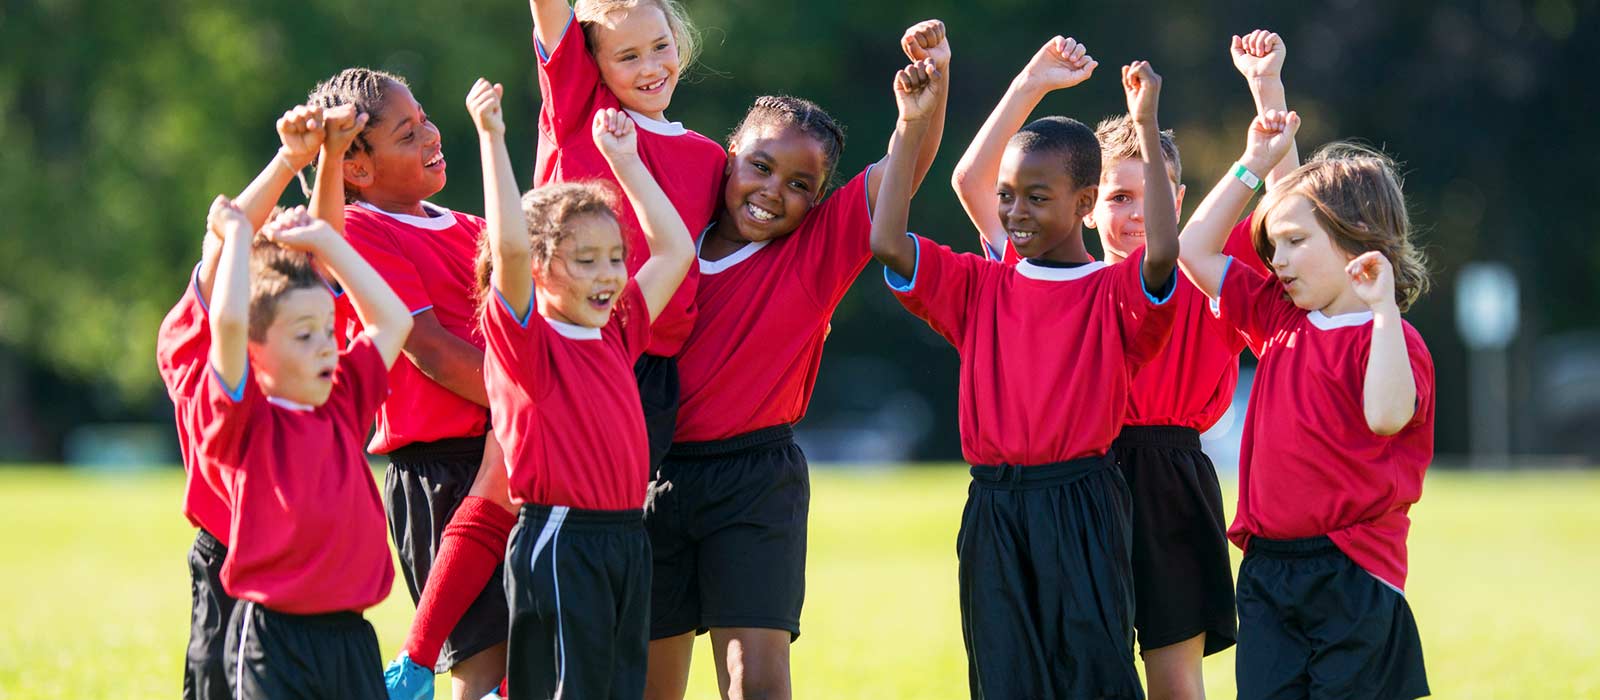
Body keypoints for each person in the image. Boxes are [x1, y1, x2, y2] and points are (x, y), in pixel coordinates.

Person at [947, 30, 1299, 699]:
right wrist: (1031, 83)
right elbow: (975, 182)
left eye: (1154, 194)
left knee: (1172, 681)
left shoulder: (1202, 276)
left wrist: (1266, 89)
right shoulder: (1043, 277)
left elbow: (1287, 209)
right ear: (1083, 200)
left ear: (1180, 195)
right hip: (1072, 485)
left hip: (1166, 477)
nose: (1136, 215)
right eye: (1118, 197)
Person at [646, 21, 950, 700]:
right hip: (655, 474)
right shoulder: (665, 237)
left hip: (756, 482)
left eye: (800, 183)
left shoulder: (813, 255)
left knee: (756, 683)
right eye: (761, 166)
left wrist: (922, 106)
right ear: (729, 155)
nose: (773, 190)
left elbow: (904, 175)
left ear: (817, 199)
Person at [871, 55, 1181, 699]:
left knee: (1093, 676)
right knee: (1005, 680)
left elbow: (1162, 251)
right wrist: (907, 126)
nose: (1015, 212)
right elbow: (887, 241)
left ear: (1085, 203)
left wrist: (1145, 125)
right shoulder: (980, 285)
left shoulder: (1113, 293)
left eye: (1037, 198)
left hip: (1083, 502)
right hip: (994, 508)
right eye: (1007, 196)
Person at [1175, 109, 1434, 699]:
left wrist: (1385, 311)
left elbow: (1387, 416)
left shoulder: (1390, 336)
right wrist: (1253, 163)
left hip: (1354, 571)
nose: (1277, 260)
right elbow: (1191, 248)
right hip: (1268, 570)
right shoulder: (1277, 316)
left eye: (1295, 242)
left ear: (1356, 239)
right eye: (1273, 244)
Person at [468, 75, 694, 697]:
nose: (609, 275)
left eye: (615, 257)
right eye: (586, 260)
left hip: (626, 537)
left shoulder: (618, 331)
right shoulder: (528, 341)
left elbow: (674, 250)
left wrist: (625, 163)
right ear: (540, 269)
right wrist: (492, 137)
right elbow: (510, 248)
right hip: (562, 537)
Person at [301, 67, 514, 700]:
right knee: (481, 660)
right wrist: (529, 401)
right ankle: (410, 669)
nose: (430, 133)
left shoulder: (472, 226)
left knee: (525, 658)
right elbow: (429, 350)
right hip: (440, 470)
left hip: (506, 455)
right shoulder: (363, 230)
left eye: (424, 118)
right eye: (407, 132)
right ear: (358, 170)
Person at [199, 203, 412, 699]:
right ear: (255, 352)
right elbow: (228, 324)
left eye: (326, 331)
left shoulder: (342, 401)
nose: (324, 346)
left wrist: (326, 243)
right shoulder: (244, 420)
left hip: (351, 639)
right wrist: (235, 239)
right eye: (303, 335)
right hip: (275, 637)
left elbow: (394, 320)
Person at [155, 104, 331, 700]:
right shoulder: (194, 336)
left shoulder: (296, 346)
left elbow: (325, 262)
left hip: (298, 559)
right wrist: (290, 161)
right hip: (229, 554)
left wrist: (330, 156)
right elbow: (223, 237)